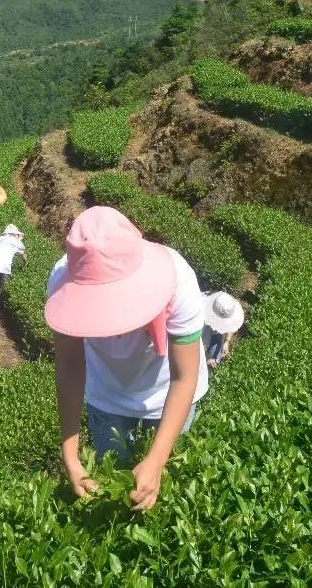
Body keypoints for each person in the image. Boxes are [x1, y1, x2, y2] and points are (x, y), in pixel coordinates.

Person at [45, 206, 209, 512]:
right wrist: (71, 456)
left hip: (167, 394)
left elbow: (184, 377)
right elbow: (69, 367)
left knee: (163, 480)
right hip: (107, 395)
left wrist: (157, 461)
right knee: (112, 478)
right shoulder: (61, 283)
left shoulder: (178, 282)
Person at [0, 223, 26, 316]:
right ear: (16, 234)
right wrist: (25, 263)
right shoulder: (17, 242)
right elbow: (23, 256)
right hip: (4, 266)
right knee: (1, 287)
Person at [202, 291, 244, 369]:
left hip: (214, 333)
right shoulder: (196, 315)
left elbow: (232, 324)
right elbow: (190, 342)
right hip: (197, 338)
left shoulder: (225, 303)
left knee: (215, 359)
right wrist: (206, 357)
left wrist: (226, 342)